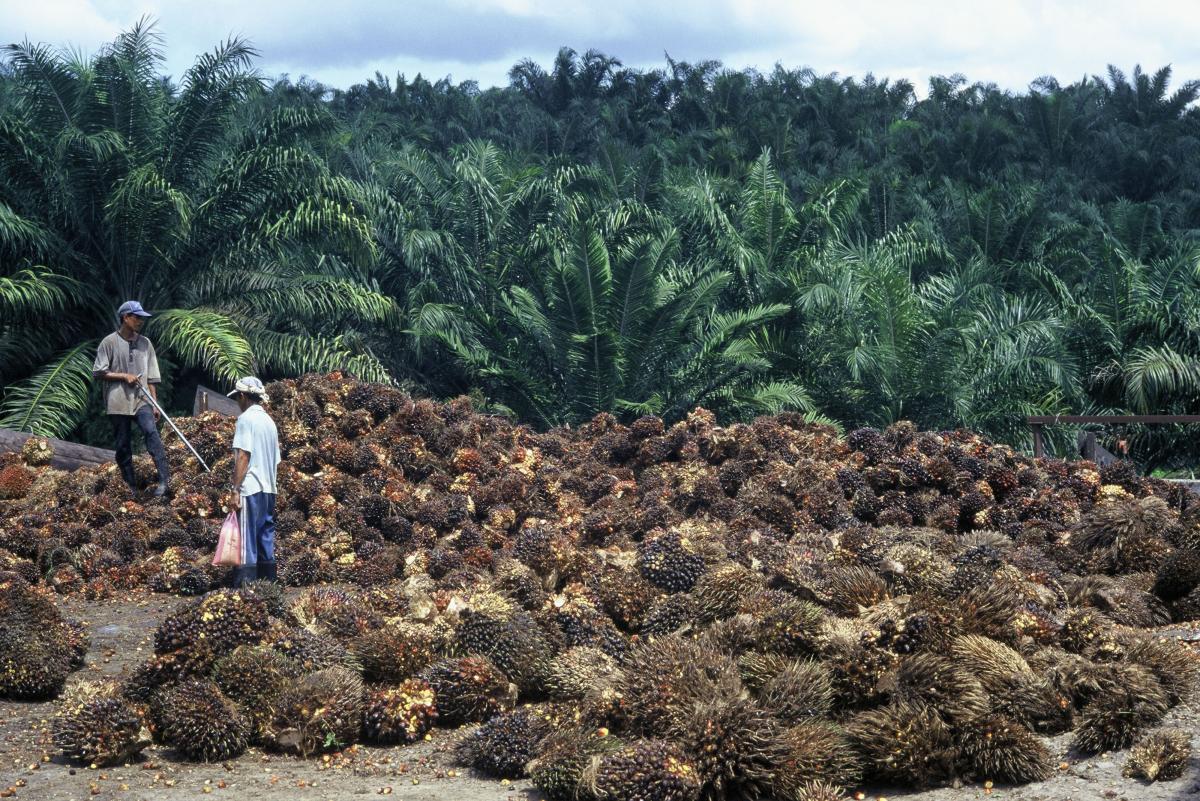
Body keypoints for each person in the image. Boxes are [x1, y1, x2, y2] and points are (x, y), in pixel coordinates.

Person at [92, 300, 170, 497]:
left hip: (142, 398)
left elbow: (152, 377)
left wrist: (155, 403)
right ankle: (131, 487)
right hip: (118, 400)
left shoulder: (145, 343)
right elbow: (99, 372)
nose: (140, 321)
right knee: (123, 444)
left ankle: (164, 480)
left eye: (142, 318)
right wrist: (123, 376)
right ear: (125, 317)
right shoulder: (108, 342)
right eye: (137, 317)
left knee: (151, 433)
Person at [227, 376, 280, 586]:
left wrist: (235, 489)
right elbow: (276, 461)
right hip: (269, 489)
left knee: (246, 539)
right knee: (265, 537)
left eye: (237, 399)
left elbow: (243, 456)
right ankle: (269, 587)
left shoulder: (246, 419)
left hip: (251, 489)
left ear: (242, 396)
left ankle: (245, 587)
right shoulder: (269, 422)